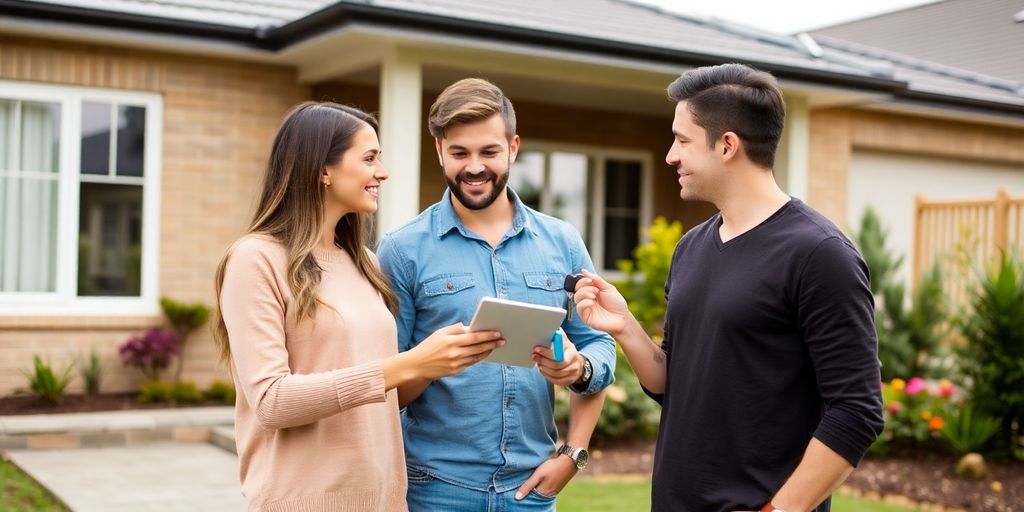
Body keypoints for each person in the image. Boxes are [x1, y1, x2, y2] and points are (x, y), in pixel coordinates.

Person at [571, 64, 884, 512]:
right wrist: (624, 326)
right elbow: (671, 384)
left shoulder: (820, 255)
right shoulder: (691, 248)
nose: (670, 156)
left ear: (727, 145)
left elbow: (857, 411)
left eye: (681, 140)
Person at [212, 102, 504, 512]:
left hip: (384, 500)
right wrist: (408, 364)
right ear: (323, 170)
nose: (382, 172)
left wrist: (438, 361)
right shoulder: (255, 259)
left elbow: (381, 391)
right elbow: (271, 401)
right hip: (304, 502)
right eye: (369, 158)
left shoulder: (363, 260)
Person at [376, 78, 617, 511]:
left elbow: (599, 340)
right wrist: (430, 363)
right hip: (434, 489)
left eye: (488, 151)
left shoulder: (562, 241)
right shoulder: (401, 250)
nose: (474, 167)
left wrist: (574, 445)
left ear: (513, 147)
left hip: (532, 491)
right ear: (439, 151)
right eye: (459, 153)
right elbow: (383, 383)